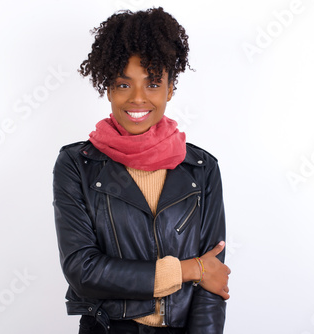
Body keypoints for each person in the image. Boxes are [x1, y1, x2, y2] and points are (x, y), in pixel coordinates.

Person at [53, 7, 230, 334]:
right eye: (123, 84)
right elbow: (83, 270)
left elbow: (213, 283)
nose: (137, 99)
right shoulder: (78, 165)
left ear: (170, 89)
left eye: (152, 84)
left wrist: (202, 272)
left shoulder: (201, 168)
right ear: (108, 88)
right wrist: (189, 269)